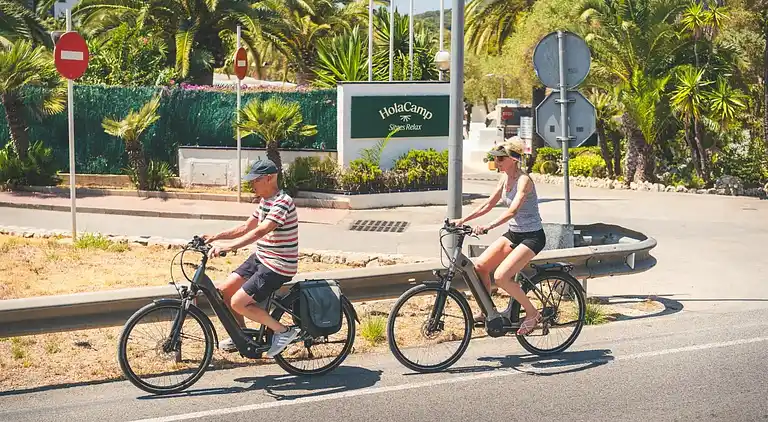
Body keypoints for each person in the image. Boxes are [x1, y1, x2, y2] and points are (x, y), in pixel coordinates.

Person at [202, 159, 300, 358]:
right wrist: (215, 237)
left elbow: (261, 230)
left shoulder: (283, 202)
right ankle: (241, 335)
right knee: (223, 292)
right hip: (261, 258)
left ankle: (284, 331)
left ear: (270, 178)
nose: (252, 184)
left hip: (278, 265)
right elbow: (246, 227)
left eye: (255, 180)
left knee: (238, 302)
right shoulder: (265, 201)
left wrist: (230, 247)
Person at [451, 138, 546, 335]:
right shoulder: (504, 178)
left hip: (532, 237)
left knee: (502, 277)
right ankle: (489, 312)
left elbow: (512, 211)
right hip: (514, 234)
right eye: (496, 159)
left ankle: (532, 313)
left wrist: (488, 226)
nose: (497, 162)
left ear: (513, 159)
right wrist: (461, 220)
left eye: (501, 159)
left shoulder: (524, 180)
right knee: (479, 267)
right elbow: (488, 204)